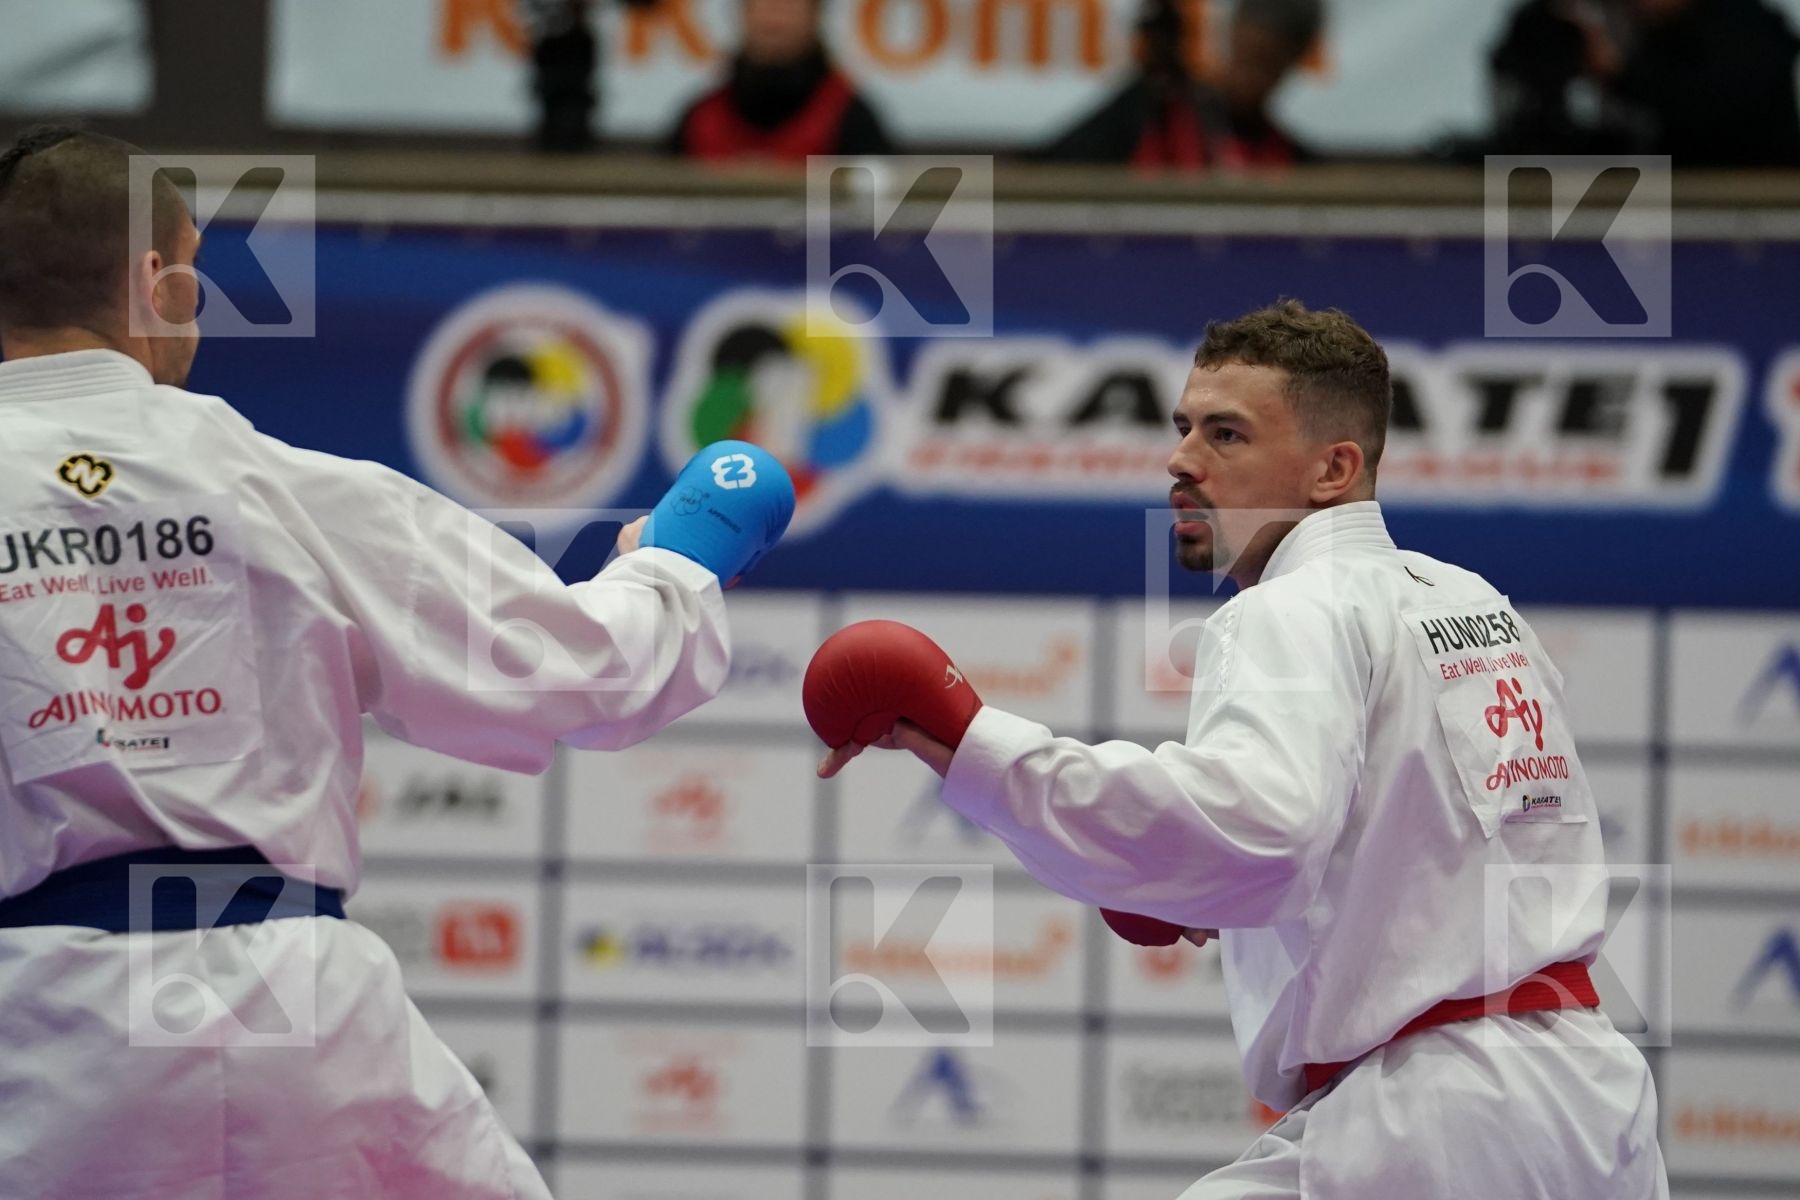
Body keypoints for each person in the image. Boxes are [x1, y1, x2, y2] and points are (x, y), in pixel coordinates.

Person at [0, 125, 792, 1200]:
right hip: (301, 1012)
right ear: (153, 280)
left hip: (41, 1026)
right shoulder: (274, 484)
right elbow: (586, 672)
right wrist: (683, 555)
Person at [812, 300, 1668, 1198]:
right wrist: (1199, 886)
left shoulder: (1286, 609)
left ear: (1334, 469)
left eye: (1227, 435)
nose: (1181, 461)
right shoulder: (1474, 603)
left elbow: (1259, 835)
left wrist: (971, 743)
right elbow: (1431, 840)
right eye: (1183, 428)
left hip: (1438, 1118)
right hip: (1590, 1099)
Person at [1042, 0, 1321, 170]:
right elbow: (1050, 174)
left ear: (1294, 58)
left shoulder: (1288, 159)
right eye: (1245, 56)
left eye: (1265, 63)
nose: (1249, 77)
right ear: (1232, 32)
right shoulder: (1147, 112)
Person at [667, 0, 894, 161]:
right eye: (763, 4)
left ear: (815, 15)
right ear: (742, 14)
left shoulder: (852, 119)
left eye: (789, 5)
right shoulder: (699, 119)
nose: (774, 19)